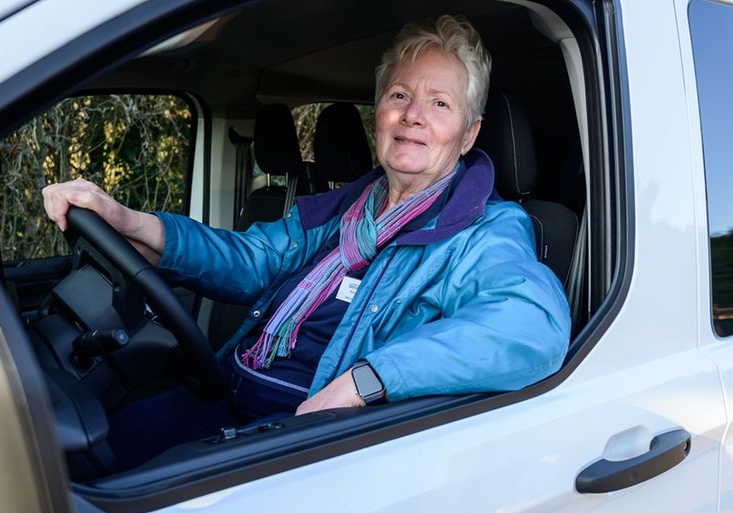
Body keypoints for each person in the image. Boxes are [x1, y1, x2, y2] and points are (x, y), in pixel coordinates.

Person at [42, 16, 571, 468]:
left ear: (469, 134)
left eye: (439, 103)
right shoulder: (342, 206)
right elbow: (251, 260)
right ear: (379, 112)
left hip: (305, 438)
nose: (413, 115)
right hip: (230, 391)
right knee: (82, 453)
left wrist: (370, 379)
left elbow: (533, 324)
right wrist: (130, 222)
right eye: (400, 95)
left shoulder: (485, 228)